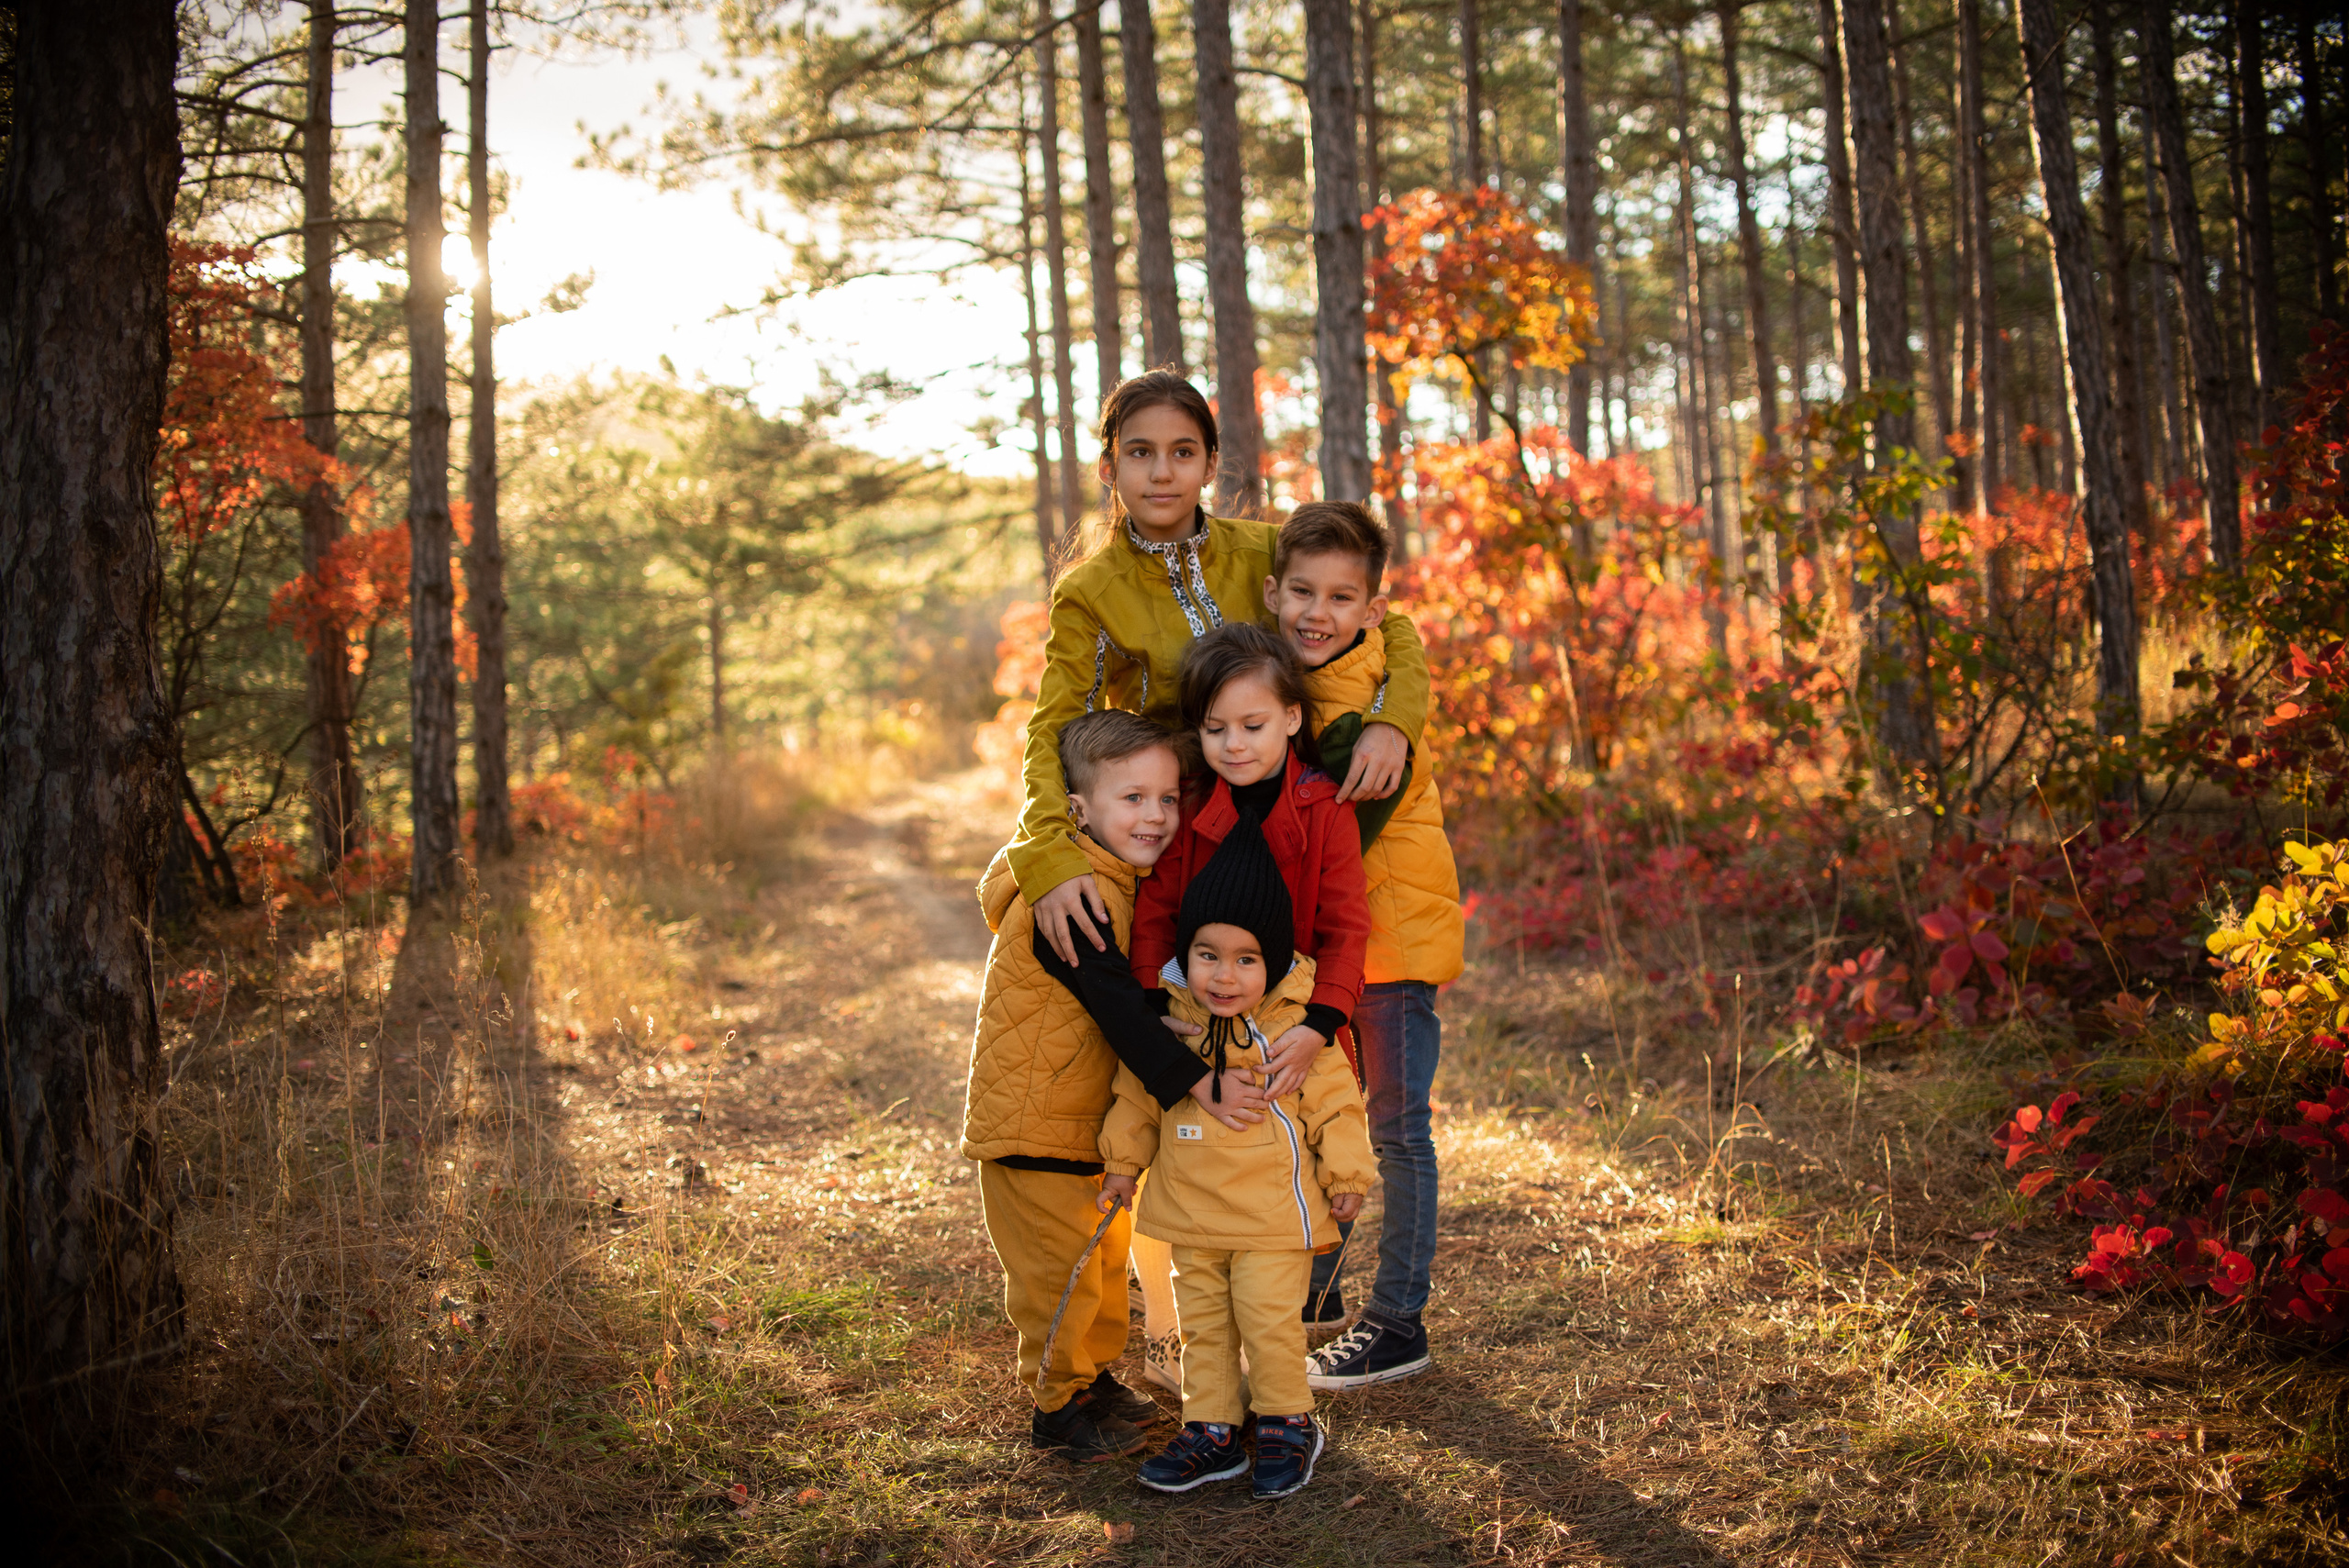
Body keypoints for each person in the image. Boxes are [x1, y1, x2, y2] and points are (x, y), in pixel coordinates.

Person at [1010, 369, 1431, 1385]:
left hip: (1294, 817)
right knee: (1190, 1037)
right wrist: (1048, 847)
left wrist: (1393, 718)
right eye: (1140, 452)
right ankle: (1170, 1297)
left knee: (1311, 1055)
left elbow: (1390, 621)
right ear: (1109, 467)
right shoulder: (1091, 590)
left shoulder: (1259, 550)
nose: (1163, 470)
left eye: (1183, 451)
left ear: (1211, 462)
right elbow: (1054, 727)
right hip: (1183, 837)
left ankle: (1304, 1276)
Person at [1097, 812, 1375, 1499]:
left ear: (1273, 963)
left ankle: (1286, 1420)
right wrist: (1122, 1164)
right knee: (1205, 1327)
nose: (1224, 975)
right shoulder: (1175, 1022)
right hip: (1193, 1216)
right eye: (1208, 955)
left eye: (1246, 958)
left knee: (1267, 1320)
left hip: (1271, 1217)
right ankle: (1211, 1427)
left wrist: (1346, 1173)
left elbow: (1339, 1103)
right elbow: (1138, 1094)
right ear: (1185, 955)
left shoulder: (1291, 1029)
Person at [961, 711, 1197, 1461]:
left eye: (1167, 798)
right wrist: (1189, 1078)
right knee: (1058, 1277)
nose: (1155, 815)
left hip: (1080, 1125)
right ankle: (1057, 1404)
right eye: (1133, 798)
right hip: (1036, 1127)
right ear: (1079, 808)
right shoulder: (1069, 894)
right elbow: (1117, 1006)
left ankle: (1092, 1377)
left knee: (1099, 1261)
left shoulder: (1119, 882)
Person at [1265, 502, 1465, 1390]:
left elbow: (1326, 831)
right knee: (1325, 1120)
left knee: (1395, 1129)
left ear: (1370, 609)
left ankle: (1398, 1320)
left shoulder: (1365, 716)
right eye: (1302, 591)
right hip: (1337, 953)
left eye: (1341, 596)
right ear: (1271, 591)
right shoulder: (1313, 680)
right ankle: (1316, 1294)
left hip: (1391, 950)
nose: (1318, 611)